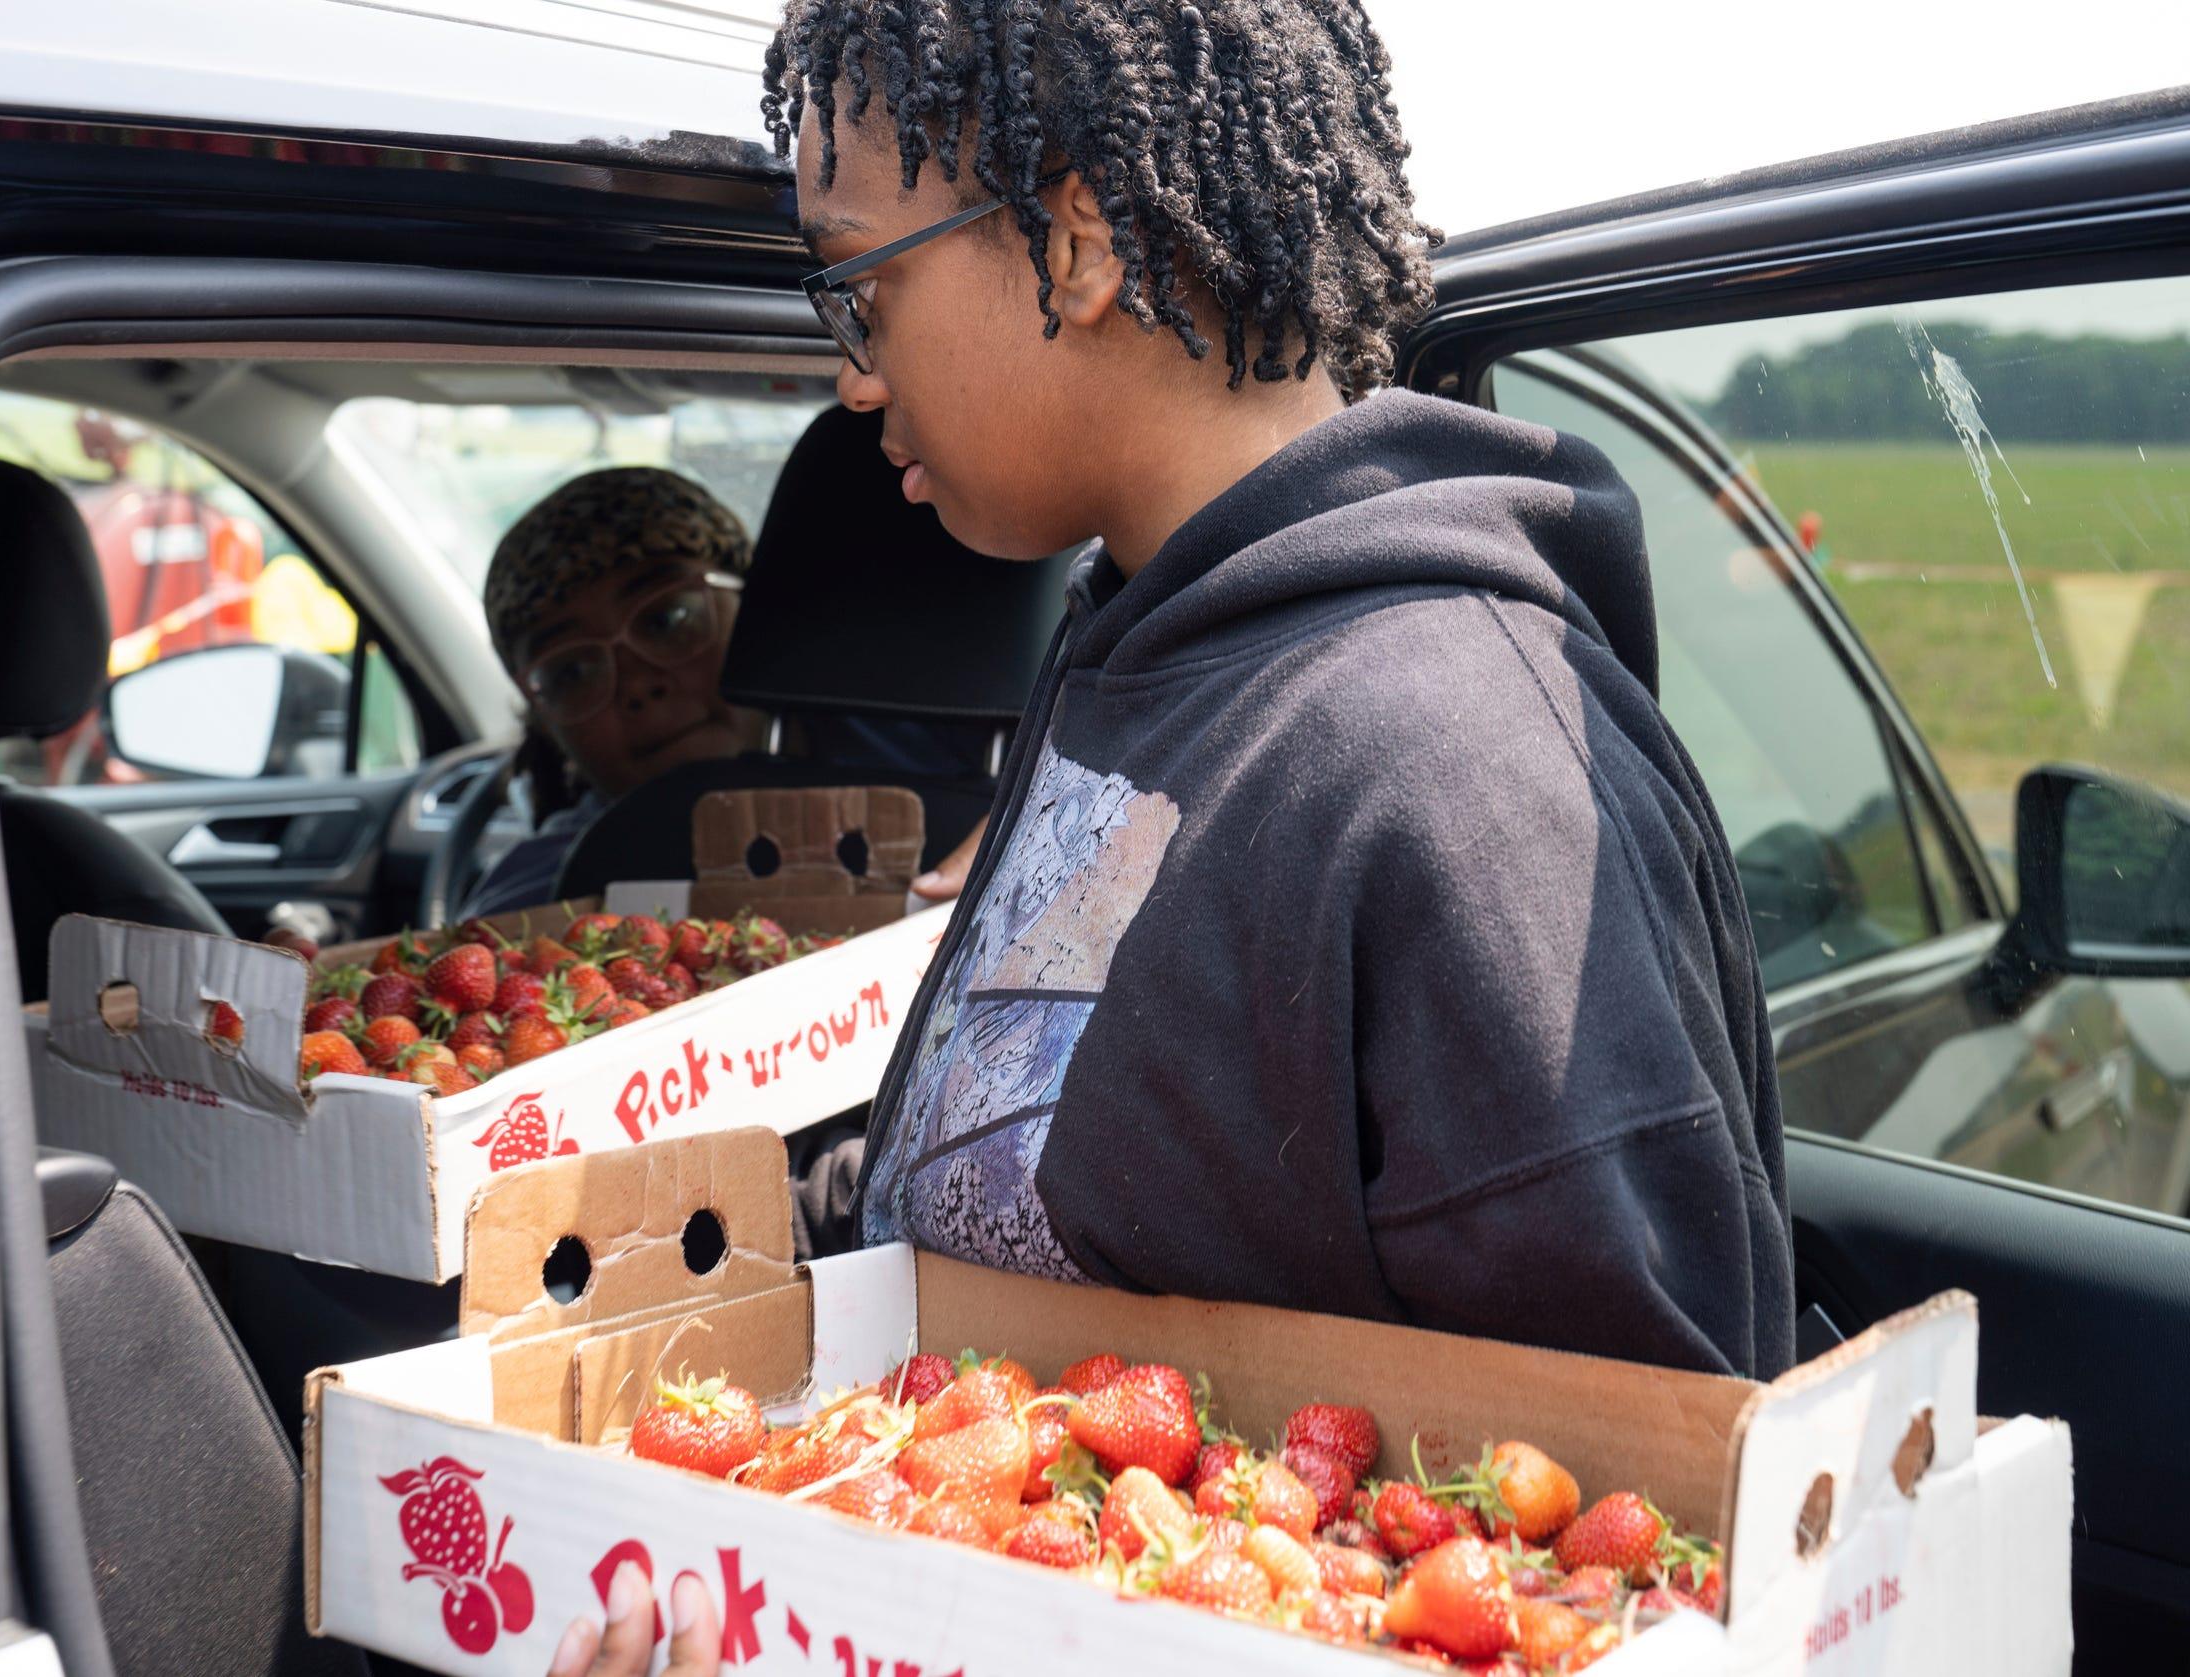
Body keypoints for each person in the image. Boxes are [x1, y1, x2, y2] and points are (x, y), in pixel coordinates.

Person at [769, 0, 1794, 1384]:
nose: (852, 373)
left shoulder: (1464, 772)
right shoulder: (1131, 646)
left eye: (860, 289)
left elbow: (1628, 1510)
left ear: (1073, 249)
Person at [464, 467, 764, 915]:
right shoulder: (534, 906)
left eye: (669, 620)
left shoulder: (900, 772)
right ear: (546, 725)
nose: (636, 684)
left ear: (760, 608)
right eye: (572, 672)